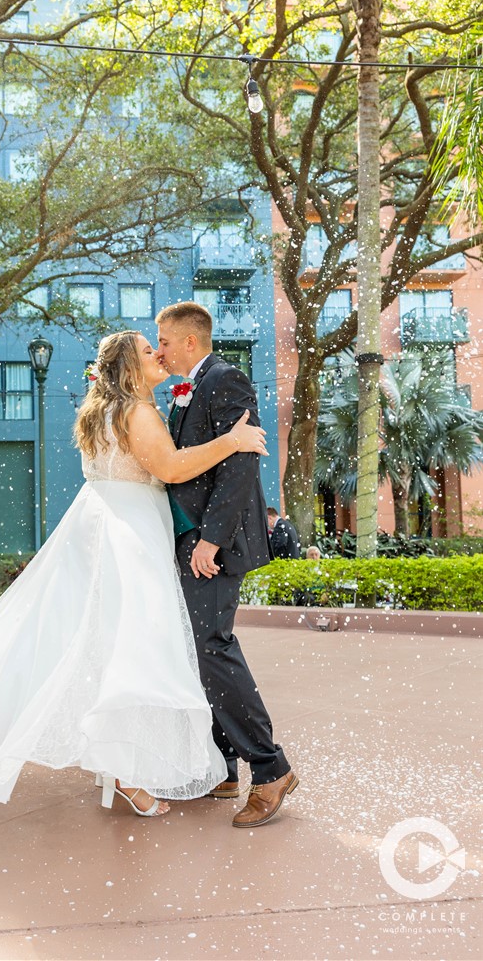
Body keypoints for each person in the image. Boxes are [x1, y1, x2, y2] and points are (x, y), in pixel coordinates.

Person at [0, 331, 267, 820]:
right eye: (147, 349)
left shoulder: (103, 410)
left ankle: (123, 767)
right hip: (129, 535)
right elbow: (173, 468)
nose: (158, 354)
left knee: (106, 645)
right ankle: (125, 773)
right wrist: (233, 440)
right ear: (130, 368)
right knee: (137, 650)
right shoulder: (137, 412)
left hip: (103, 523)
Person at [156, 303, 298, 829]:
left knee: (211, 647)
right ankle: (224, 768)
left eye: (164, 340)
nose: (160, 349)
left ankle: (270, 769)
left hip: (215, 546)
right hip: (192, 541)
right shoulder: (190, 389)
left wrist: (211, 541)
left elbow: (240, 466)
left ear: (190, 342)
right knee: (198, 651)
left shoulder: (224, 379)